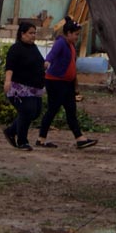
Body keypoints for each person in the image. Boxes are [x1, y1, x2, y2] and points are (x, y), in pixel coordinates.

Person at [37, 17, 97, 149]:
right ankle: (41, 139)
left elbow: (71, 65)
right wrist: (47, 62)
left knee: (70, 110)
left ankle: (79, 138)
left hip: (66, 83)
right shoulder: (61, 43)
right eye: (76, 34)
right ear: (68, 33)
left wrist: (75, 84)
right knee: (53, 110)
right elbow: (52, 54)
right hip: (56, 82)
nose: (77, 37)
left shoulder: (71, 45)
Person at [3, 22, 46, 151]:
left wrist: (44, 66)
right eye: (30, 33)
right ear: (22, 34)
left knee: (35, 112)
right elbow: (10, 67)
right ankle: (22, 141)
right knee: (26, 111)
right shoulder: (16, 48)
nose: (33, 36)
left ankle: (11, 131)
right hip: (20, 88)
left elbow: (38, 62)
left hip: (35, 88)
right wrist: (7, 81)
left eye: (34, 33)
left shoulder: (33, 47)